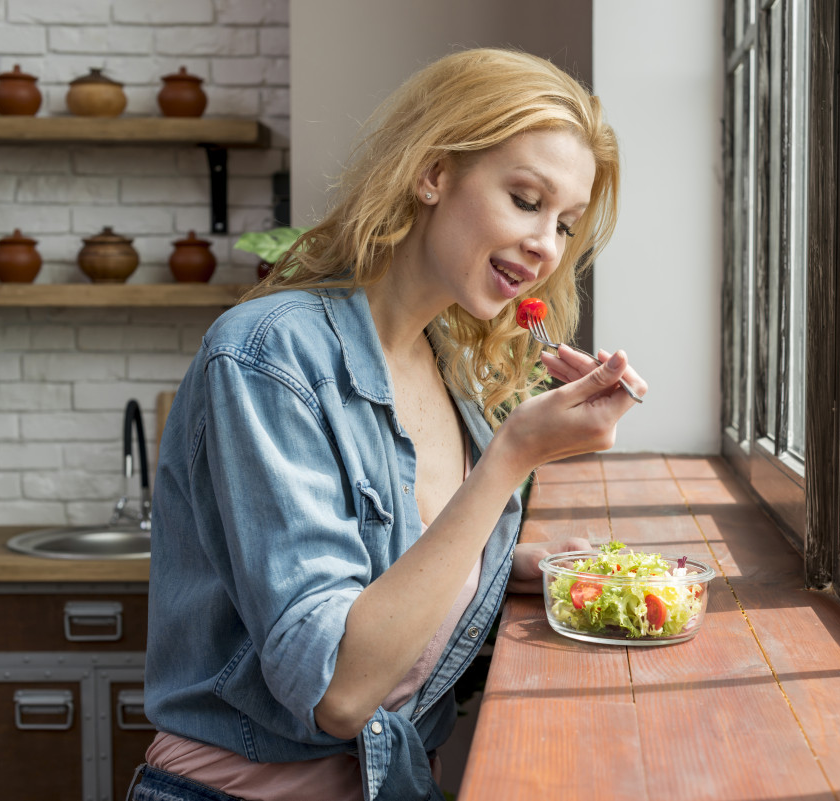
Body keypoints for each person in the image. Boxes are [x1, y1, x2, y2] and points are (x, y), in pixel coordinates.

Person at [131, 48, 645, 801]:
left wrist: (512, 567)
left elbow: (394, 582)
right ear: (434, 173)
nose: (546, 246)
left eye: (565, 225)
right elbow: (339, 690)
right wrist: (512, 458)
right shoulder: (269, 354)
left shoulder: (452, 372)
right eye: (526, 200)